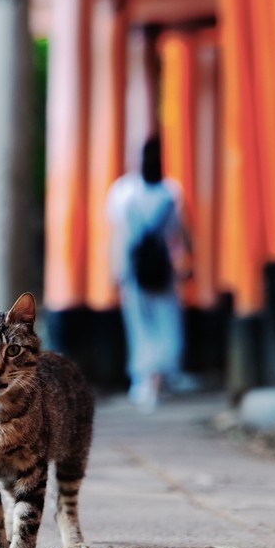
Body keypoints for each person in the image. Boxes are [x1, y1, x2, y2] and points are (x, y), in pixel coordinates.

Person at [106, 136, 191, 412]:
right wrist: (189, 262)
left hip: (134, 269)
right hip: (162, 268)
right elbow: (178, 234)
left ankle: (144, 378)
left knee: (140, 324)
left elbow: (120, 237)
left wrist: (116, 270)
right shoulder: (170, 192)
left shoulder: (124, 193)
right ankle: (161, 375)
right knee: (166, 319)